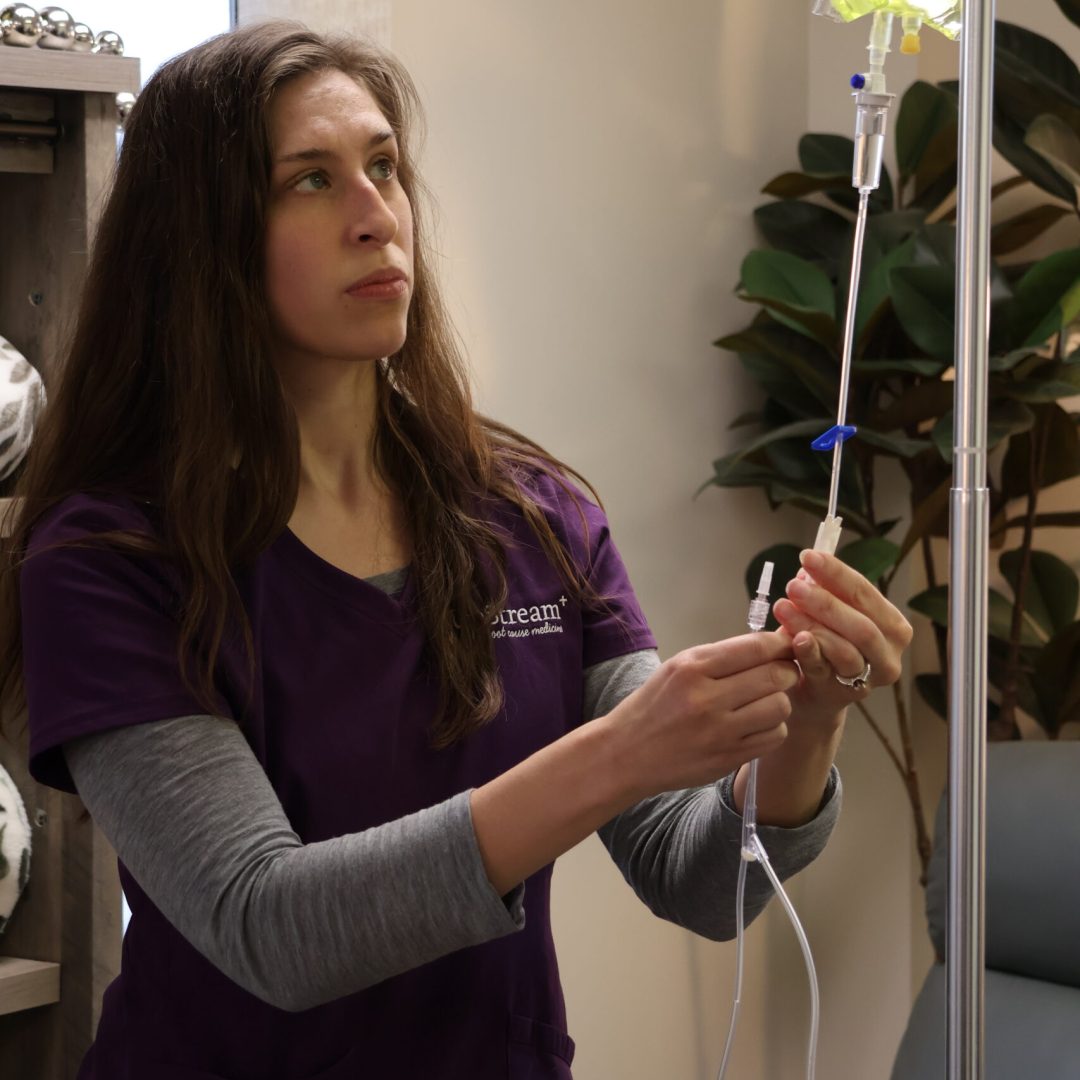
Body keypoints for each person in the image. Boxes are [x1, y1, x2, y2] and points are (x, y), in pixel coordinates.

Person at [0, 19, 912, 1080]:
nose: (376, 215)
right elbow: (267, 925)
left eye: (383, 167)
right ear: (201, 237)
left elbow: (696, 878)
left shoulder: (530, 516)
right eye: (311, 180)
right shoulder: (110, 559)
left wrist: (803, 727)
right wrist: (621, 750)